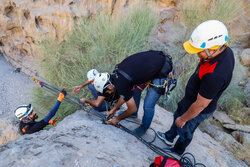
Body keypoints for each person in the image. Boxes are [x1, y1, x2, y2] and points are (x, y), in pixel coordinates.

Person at [156, 20, 235, 155]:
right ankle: (169, 137)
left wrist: (184, 118)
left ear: (213, 50)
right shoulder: (224, 50)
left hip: (197, 108)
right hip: (191, 99)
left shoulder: (215, 75)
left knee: (185, 129)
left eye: (199, 51)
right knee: (178, 115)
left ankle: (177, 152)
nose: (197, 54)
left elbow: (200, 105)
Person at [93, 50, 173, 136]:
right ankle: (133, 115)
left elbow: (131, 107)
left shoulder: (121, 84)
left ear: (109, 86)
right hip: (153, 62)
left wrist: (117, 119)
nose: (109, 93)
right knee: (135, 91)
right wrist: (114, 109)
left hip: (163, 69)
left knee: (148, 105)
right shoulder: (118, 71)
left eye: (107, 92)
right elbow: (125, 94)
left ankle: (143, 128)